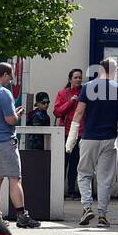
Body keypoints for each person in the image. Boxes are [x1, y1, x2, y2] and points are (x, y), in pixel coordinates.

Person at [66, 58, 118, 228]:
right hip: (109, 138)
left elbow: (79, 112)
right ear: (115, 71)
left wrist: (72, 138)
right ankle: (102, 215)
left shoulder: (88, 87)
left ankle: (87, 207)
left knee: (84, 174)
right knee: (105, 178)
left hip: (89, 137)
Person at [0, 62, 40, 229]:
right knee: (14, 178)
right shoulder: (3, 93)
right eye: (10, 75)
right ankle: (22, 216)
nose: (11, 79)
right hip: (3, 141)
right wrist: (18, 114)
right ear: (4, 74)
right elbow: (10, 120)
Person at [53, 68, 85, 196]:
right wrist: (70, 102)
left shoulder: (85, 92)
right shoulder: (63, 93)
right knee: (63, 162)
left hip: (81, 132)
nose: (78, 79)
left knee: (76, 163)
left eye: (80, 77)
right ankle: (59, 190)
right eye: (75, 77)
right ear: (70, 79)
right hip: (66, 132)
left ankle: (72, 189)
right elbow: (57, 112)